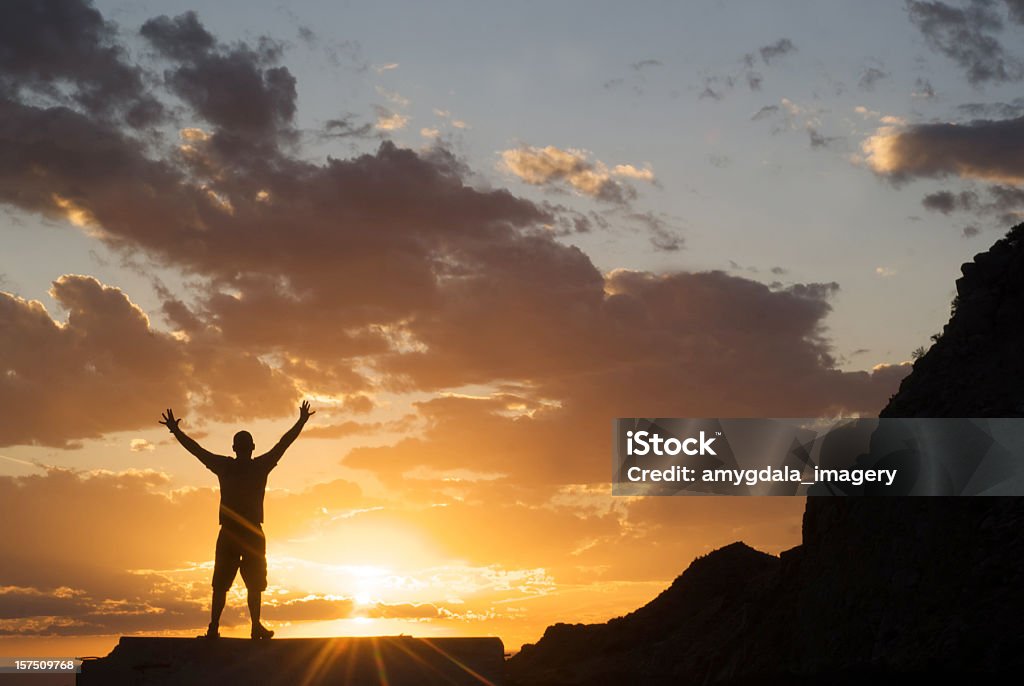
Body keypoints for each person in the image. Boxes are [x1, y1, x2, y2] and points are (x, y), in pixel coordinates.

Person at [159, 401, 315, 640]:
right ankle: (253, 626)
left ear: (234, 448)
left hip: (231, 532)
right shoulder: (259, 466)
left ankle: (215, 627)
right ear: (252, 448)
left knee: (222, 583)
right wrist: (301, 421)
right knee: (252, 583)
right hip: (251, 531)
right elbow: (283, 444)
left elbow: (196, 450)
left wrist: (176, 431)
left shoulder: (225, 466)